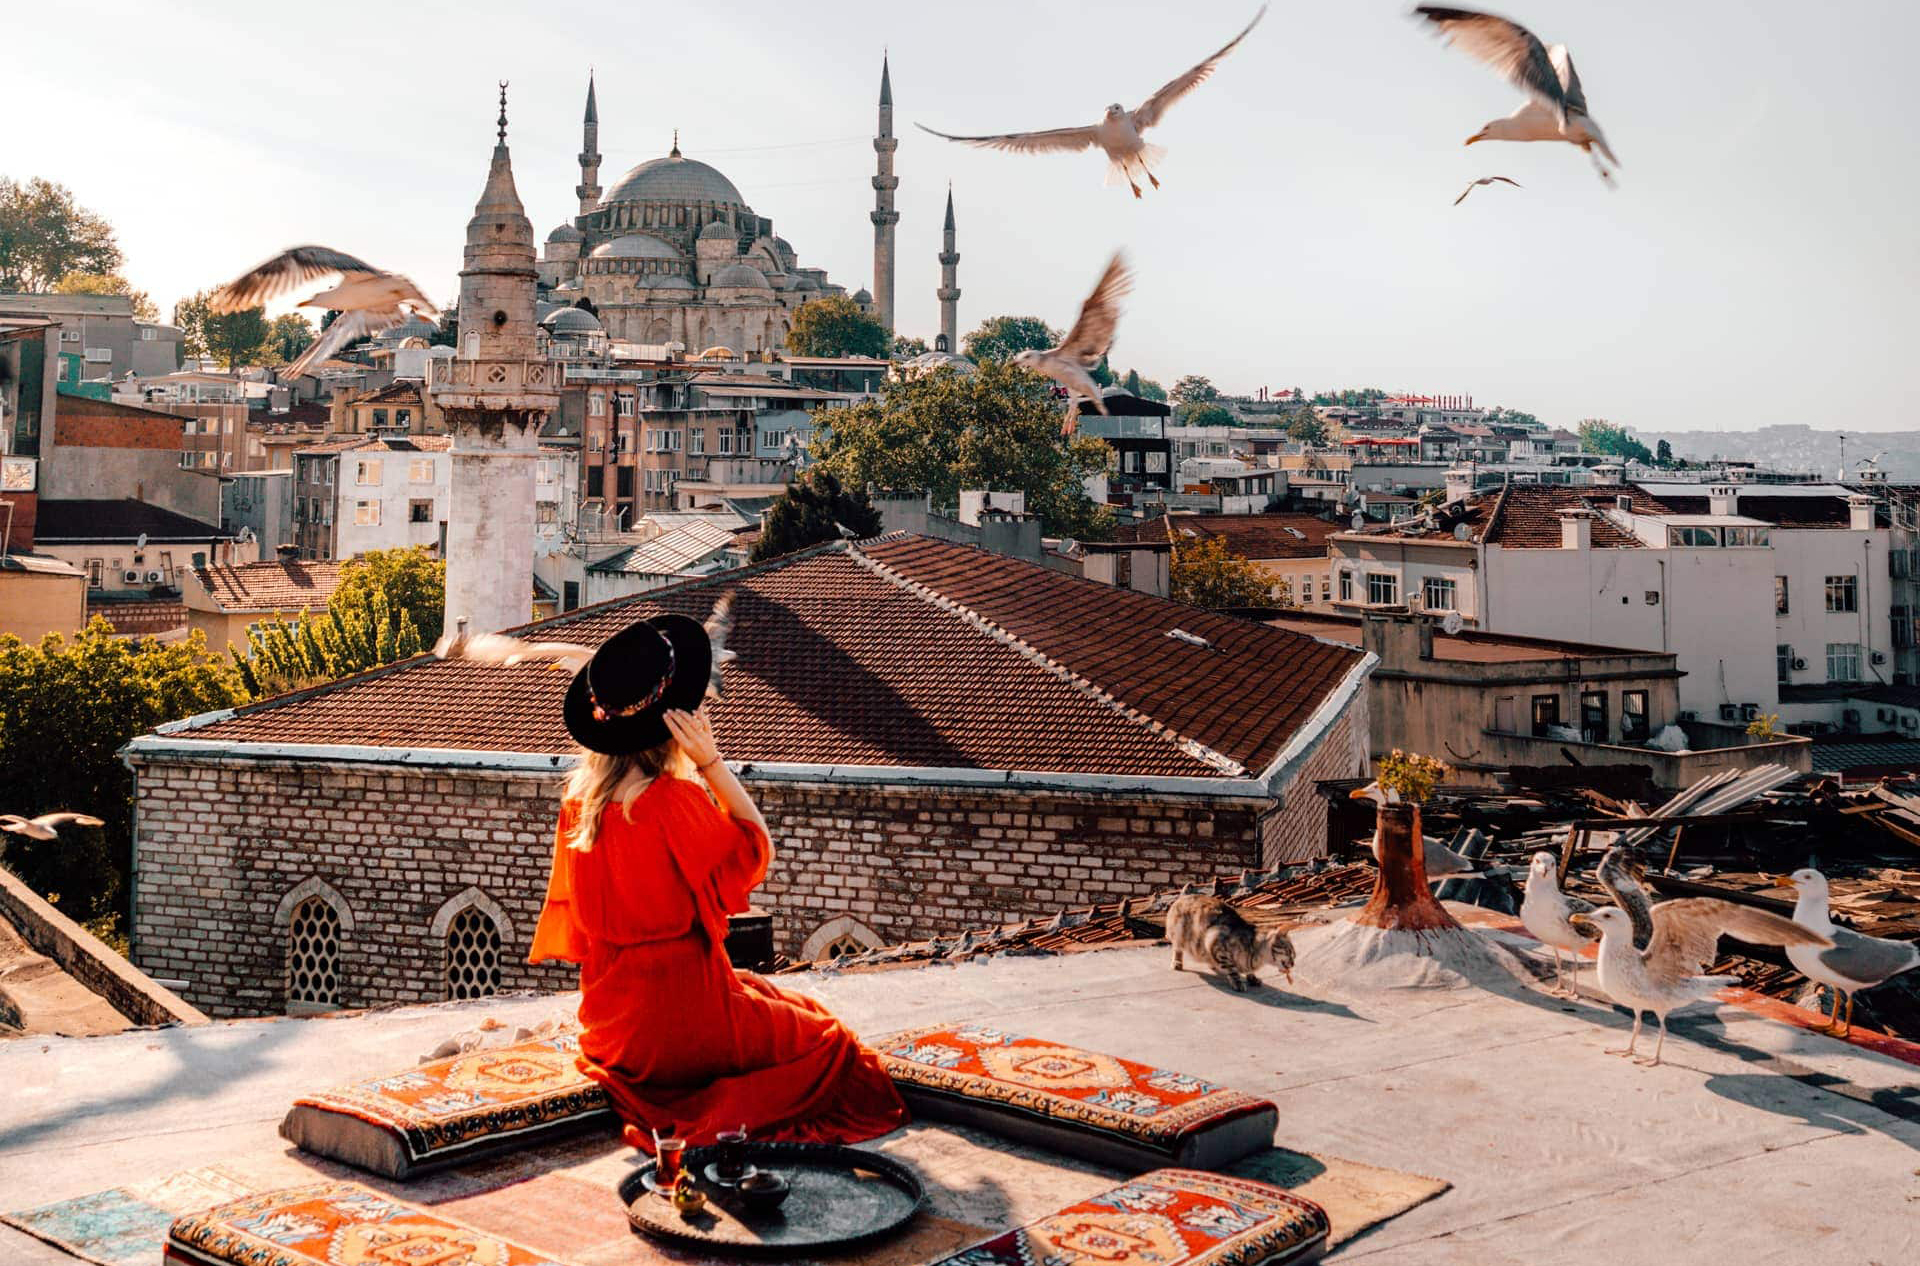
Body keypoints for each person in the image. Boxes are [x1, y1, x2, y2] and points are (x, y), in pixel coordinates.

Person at [529, 612, 907, 1149]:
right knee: (833, 1044)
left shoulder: (578, 804)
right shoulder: (668, 801)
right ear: (675, 720)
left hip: (611, 1027)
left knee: (782, 999)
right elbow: (756, 850)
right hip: (682, 1022)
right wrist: (710, 762)